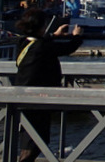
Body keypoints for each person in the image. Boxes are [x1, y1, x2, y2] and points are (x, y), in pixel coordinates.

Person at [14, 8, 83, 162]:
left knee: (29, 140)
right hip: (37, 99)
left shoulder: (22, 42)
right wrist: (77, 36)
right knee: (37, 140)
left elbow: (40, 42)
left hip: (22, 96)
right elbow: (67, 48)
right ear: (40, 27)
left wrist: (53, 35)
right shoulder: (42, 47)